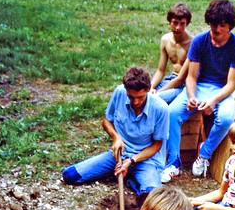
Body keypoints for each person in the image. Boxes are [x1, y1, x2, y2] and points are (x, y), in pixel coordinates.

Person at [161, 0, 235, 183]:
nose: (216, 29)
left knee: (226, 118)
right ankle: (173, 163)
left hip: (221, 91)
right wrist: (191, 96)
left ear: (230, 26)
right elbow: (191, 77)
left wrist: (214, 101)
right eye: (213, 24)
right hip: (198, 87)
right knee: (172, 113)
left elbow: (231, 84)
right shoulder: (200, 41)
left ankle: (204, 154)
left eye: (222, 25)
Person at [62, 67, 169, 199]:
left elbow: (157, 145)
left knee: (151, 197)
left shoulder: (161, 108)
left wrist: (131, 161)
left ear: (148, 90)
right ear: (126, 90)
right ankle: (129, 174)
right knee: (70, 175)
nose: (135, 102)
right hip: (119, 155)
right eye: (131, 97)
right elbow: (106, 121)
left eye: (140, 97)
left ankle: (132, 178)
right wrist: (116, 138)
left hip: (146, 160)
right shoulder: (119, 93)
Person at [151, 3, 192, 105]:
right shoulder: (165, 40)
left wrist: (158, 92)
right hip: (170, 80)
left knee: (153, 100)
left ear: (187, 24)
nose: (178, 27)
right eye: (175, 23)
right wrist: (150, 87)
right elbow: (160, 70)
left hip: (184, 85)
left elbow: (181, 78)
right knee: (142, 93)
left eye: (182, 23)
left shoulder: (192, 44)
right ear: (169, 22)